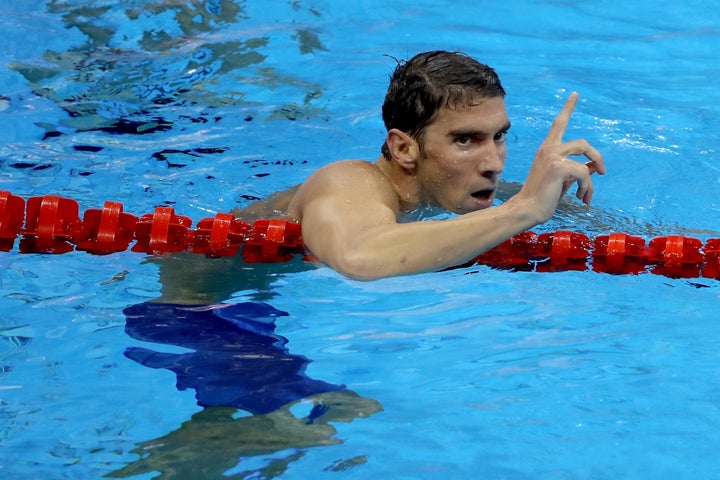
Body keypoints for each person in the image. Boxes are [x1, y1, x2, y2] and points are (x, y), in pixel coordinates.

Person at [240, 50, 605, 281]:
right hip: (201, 306)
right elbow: (357, 258)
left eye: (499, 136)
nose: (494, 163)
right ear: (403, 149)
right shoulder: (346, 182)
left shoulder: (458, 189)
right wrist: (523, 210)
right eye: (466, 140)